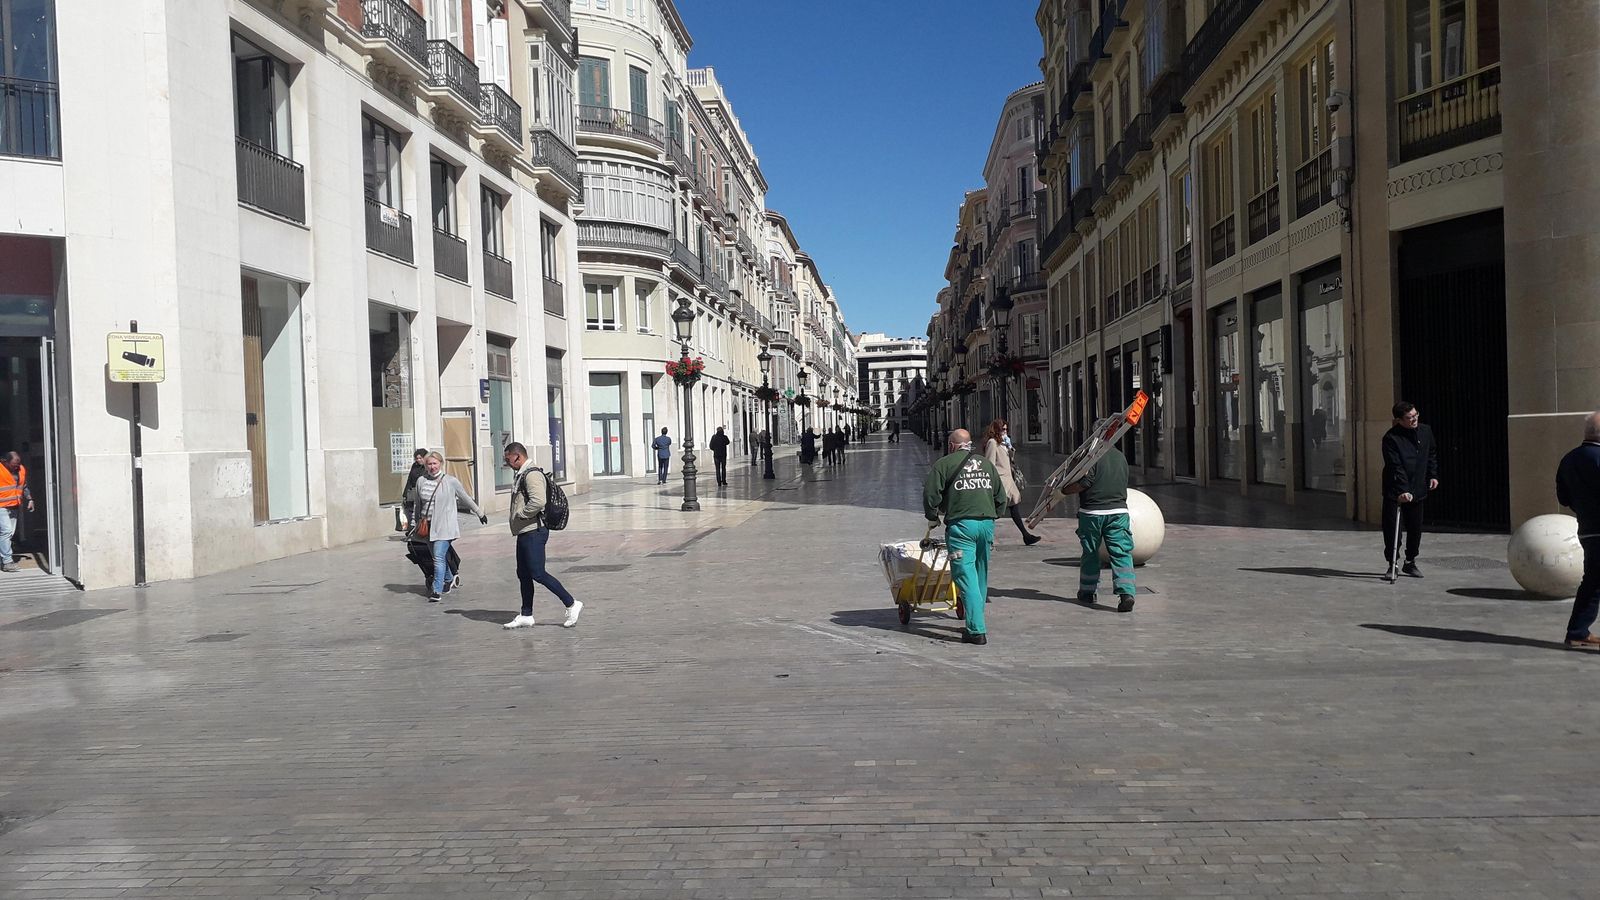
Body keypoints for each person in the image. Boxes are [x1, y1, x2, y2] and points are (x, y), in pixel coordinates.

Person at [923, 428, 1008, 645]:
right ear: (969, 444)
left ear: (951, 446)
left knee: (965, 575)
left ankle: (976, 630)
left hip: (962, 528)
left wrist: (932, 517)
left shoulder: (943, 464)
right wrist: (994, 515)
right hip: (986, 524)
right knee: (980, 574)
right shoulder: (986, 465)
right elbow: (1001, 495)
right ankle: (975, 617)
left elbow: (931, 495)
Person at [501, 442, 582, 630]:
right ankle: (526, 614)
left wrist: (522, 514)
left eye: (508, 459)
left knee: (538, 573)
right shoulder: (521, 473)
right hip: (524, 531)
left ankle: (571, 603)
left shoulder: (532, 474)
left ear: (517, 456)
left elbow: (538, 501)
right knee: (523, 574)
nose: (507, 463)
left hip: (534, 531)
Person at [1055, 445, 1136, 612]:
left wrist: (1064, 490)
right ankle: (1126, 593)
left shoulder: (1092, 457)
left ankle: (1087, 591)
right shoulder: (1121, 456)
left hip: (1092, 512)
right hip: (1119, 511)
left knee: (1090, 551)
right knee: (1121, 552)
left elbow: (1086, 481)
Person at [409, 450, 486, 601]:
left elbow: (465, 498)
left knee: (438, 557)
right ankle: (450, 578)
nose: (432, 467)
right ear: (425, 465)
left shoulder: (450, 481)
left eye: (435, 463)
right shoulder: (421, 481)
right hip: (427, 527)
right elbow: (418, 504)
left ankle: (436, 590)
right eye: (429, 464)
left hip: (444, 527)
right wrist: (413, 522)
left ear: (441, 464)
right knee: (437, 556)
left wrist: (479, 512)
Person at [1557, 410, 1600, 650]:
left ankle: (1577, 632)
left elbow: (1563, 497)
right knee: (1593, 581)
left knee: (1592, 581)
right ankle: (1577, 632)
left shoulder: (1569, 459)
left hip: (1587, 529)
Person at [1381, 401, 1439, 577]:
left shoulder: (1425, 431)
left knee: (1415, 527)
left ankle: (1410, 561)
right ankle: (1393, 564)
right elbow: (1394, 465)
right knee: (1393, 530)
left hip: (1418, 487)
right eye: (1409, 418)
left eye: (1416, 415)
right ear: (1399, 420)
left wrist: (1433, 475)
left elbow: (1431, 454)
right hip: (1396, 489)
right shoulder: (1391, 438)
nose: (1414, 419)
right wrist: (1402, 490)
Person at [981, 419, 1042, 546]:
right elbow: (989, 464)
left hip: (1008, 480)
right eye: (1003, 429)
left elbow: (1010, 461)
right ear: (996, 430)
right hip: (1001, 481)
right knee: (995, 511)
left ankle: (1026, 536)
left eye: (1006, 429)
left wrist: (1009, 448)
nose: (1005, 431)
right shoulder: (992, 443)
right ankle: (986, 537)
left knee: (1013, 508)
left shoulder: (1002, 443)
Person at [0, 451, 35, 573]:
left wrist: (29, 499)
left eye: (18, 464)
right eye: (14, 464)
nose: (16, 466)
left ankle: (3, 558)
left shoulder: (21, 469)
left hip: (14, 506)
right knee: (6, 532)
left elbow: (23, 486)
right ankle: (7, 562)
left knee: (9, 534)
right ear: (5, 461)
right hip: (1, 506)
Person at [401, 448, 428, 526]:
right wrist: (405, 494)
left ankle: (418, 528)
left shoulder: (427, 467)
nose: (418, 460)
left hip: (422, 492)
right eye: (417, 458)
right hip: (412, 491)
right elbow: (409, 479)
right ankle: (410, 528)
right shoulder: (414, 466)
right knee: (409, 511)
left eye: (420, 458)